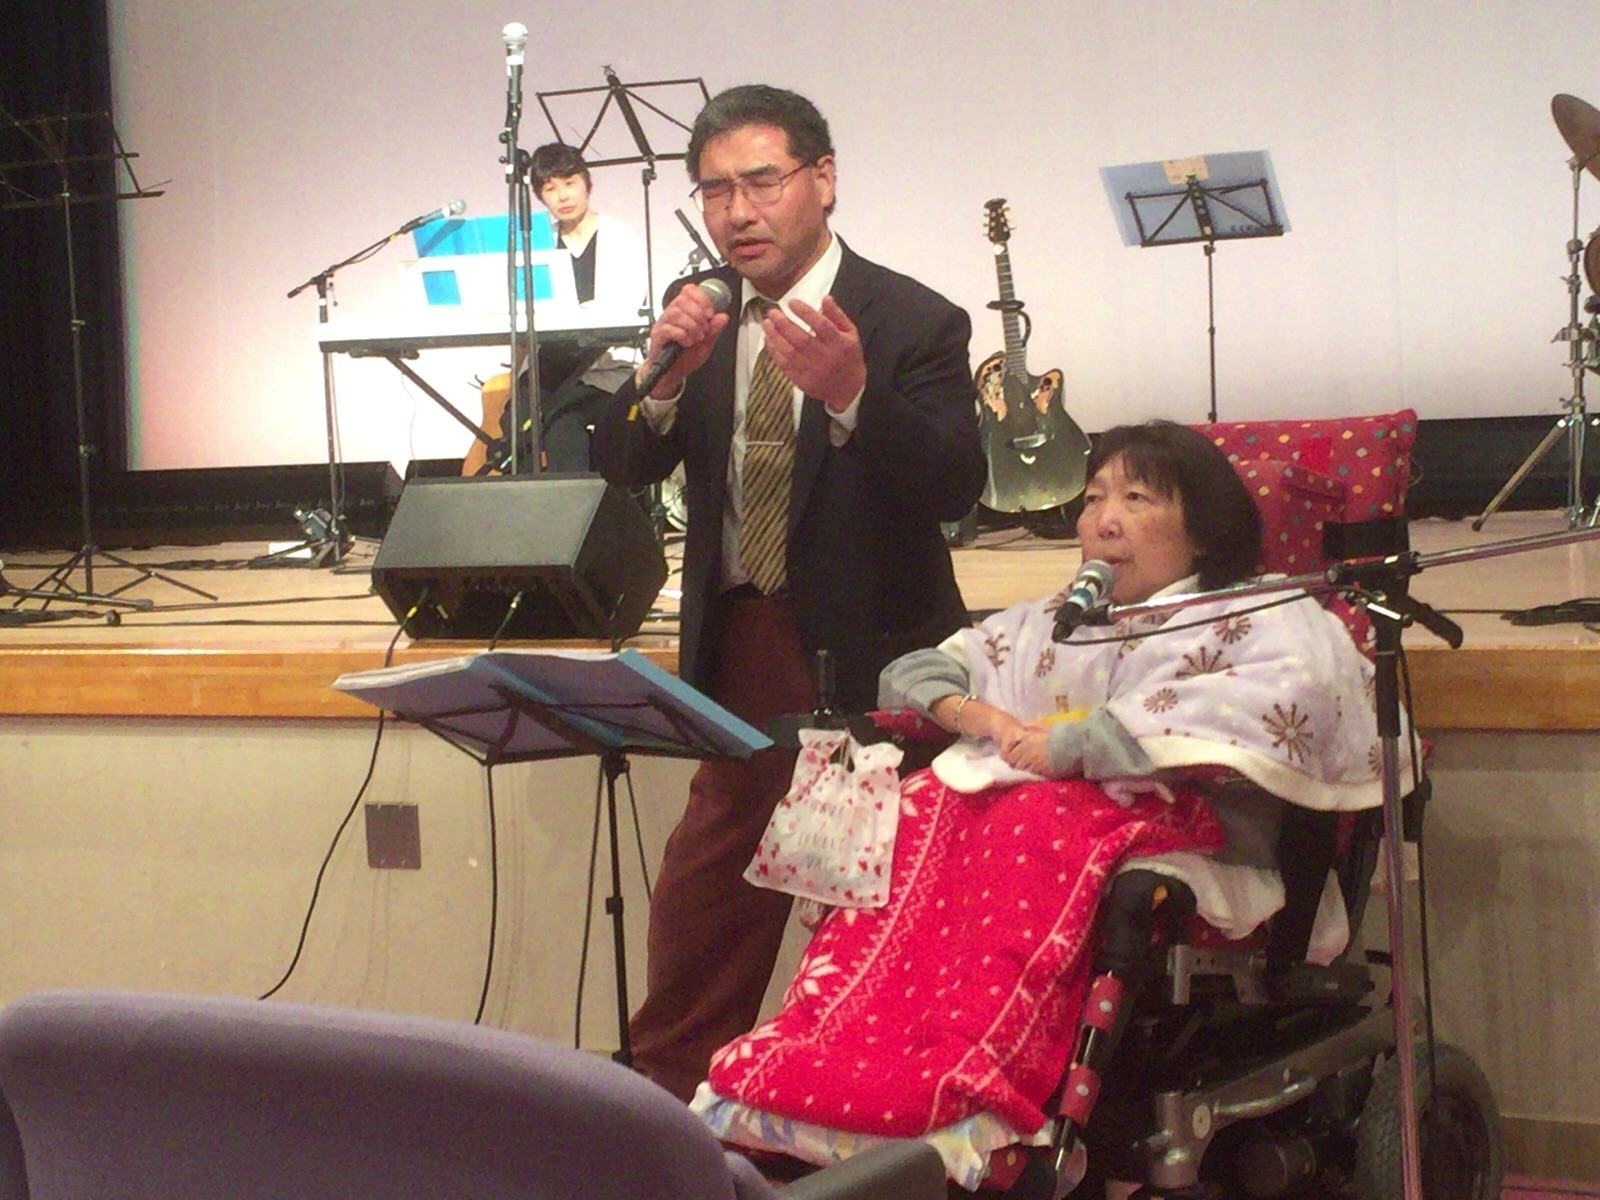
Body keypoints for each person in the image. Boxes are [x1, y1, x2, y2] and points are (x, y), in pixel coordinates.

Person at [693, 422, 1408, 1189]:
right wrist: (980, 717)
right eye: (1094, 498)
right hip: (1033, 826)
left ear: (1203, 529)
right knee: (920, 807)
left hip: (1203, 841)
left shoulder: (1266, 613)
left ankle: (973, 1084)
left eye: (1137, 499)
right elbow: (915, 672)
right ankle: (824, 1063)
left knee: (1036, 820)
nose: (1105, 520)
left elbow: (1292, 698)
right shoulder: (1056, 619)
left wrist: (1081, 744)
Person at [590, 84, 987, 1103]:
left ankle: (855, 1121)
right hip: (738, 648)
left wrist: (854, 392)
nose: (738, 212)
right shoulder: (705, 313)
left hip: (871, 664)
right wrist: (662, 380)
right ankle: (664, 1120)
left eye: (761, 182)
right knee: (703, 910)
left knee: (865, 926)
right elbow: (619, 463)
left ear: (823, 179)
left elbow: (955, 484)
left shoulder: (910, 318)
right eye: (715, 190)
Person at [467, 142, 648, 475]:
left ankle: (576, 506)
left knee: (560, 420)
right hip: (549, 366)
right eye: (550, 189)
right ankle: (525, 502)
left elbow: (624, 308)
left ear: (587, 183)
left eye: (569, 183)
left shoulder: (620, 235)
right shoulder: (536, 242)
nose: (563, 196)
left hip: (605, 367)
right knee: (516, 419)